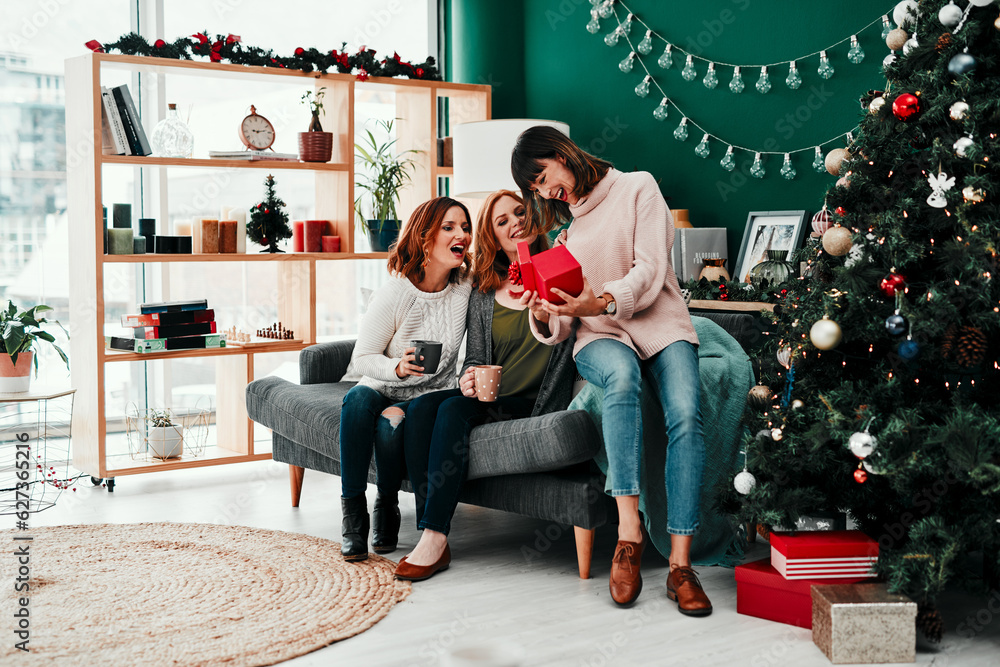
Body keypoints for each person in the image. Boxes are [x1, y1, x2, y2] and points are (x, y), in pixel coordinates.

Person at [510, 125, 712, 615]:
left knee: (685, 410)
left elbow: (649, 270)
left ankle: (681, 566)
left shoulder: (638, 187)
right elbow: (564, 318)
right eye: (534, 188)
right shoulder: (567, 234)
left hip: (659, 322)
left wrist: (597, 299)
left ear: (561, 153)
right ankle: (628, 534)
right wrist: (543, 313)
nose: (543, 191)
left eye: (541, 176)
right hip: (598, 337)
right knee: (620, 380)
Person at [393, 190, 577, 581]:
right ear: (492, 237)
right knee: (424, 407)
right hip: (496, 396)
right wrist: (468, 377)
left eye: (520, 212)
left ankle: (435, 534)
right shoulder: (484, 291)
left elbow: (569, 331)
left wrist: (543, 311)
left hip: (534, 401)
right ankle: (431, 529)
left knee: (453, 409)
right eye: (502, 221)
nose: (516, 222)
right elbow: (476, 357)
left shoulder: (559, 269)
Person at [338, 197, 473, 562]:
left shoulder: (465, 288)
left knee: (391, 427)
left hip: (427, 395)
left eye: (465, 227)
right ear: (425, 237)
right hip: (384, 384)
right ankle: (353, 515)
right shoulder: (397, 292)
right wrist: (398, 368)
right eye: (449, 227)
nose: (461, 234)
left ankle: (387, 503)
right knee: (356, 402)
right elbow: (362, 358)